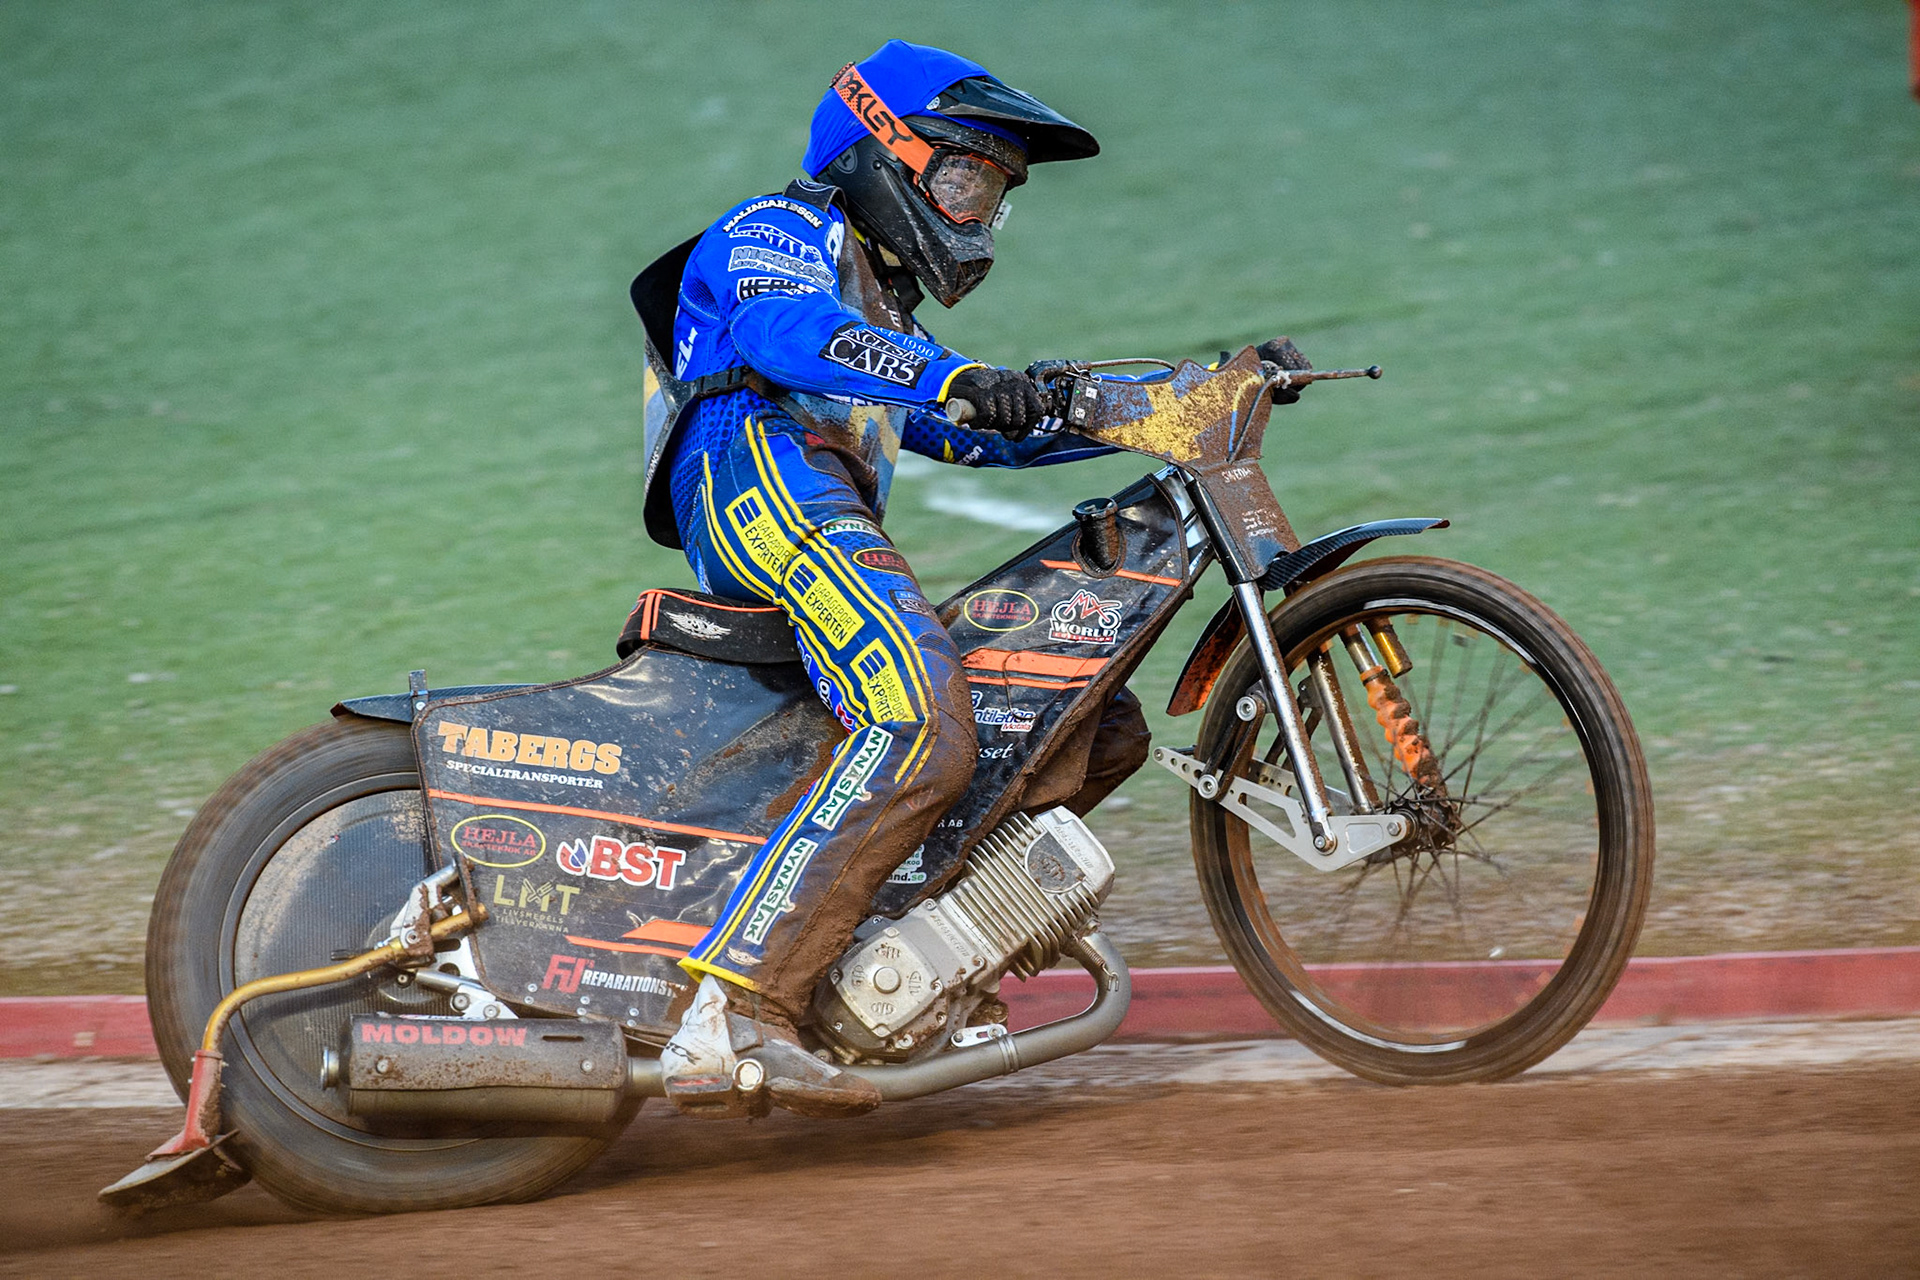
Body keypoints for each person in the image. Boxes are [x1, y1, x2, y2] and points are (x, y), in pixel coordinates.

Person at [634, 41, 1148, 1118]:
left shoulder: (894, 323)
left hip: (819, 495)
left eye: (995, 197)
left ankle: (874, 961)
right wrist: (960, 375)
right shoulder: (778, 229)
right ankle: (731, 1010)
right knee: (922, 716)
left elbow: (986, 434)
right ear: (880, 149)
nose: (979, 216)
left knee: (1091, 720)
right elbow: (788, 331)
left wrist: (1182, 395)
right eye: (965, 178)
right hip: (758, 471)